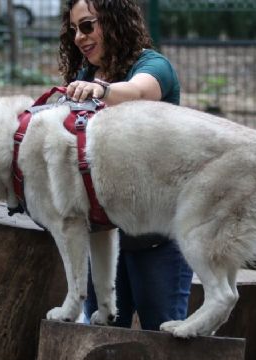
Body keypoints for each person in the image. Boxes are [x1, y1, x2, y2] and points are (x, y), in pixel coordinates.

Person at [58, 0, 193, 330]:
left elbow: (139, 91)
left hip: (157, 240)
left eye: (88, 25)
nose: (79, 37)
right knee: (101, 340)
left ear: (115, 21)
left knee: (165, 340)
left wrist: (100, 90)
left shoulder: (153, 65)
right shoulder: (85, 76)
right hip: (104, 240)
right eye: (74, 29)